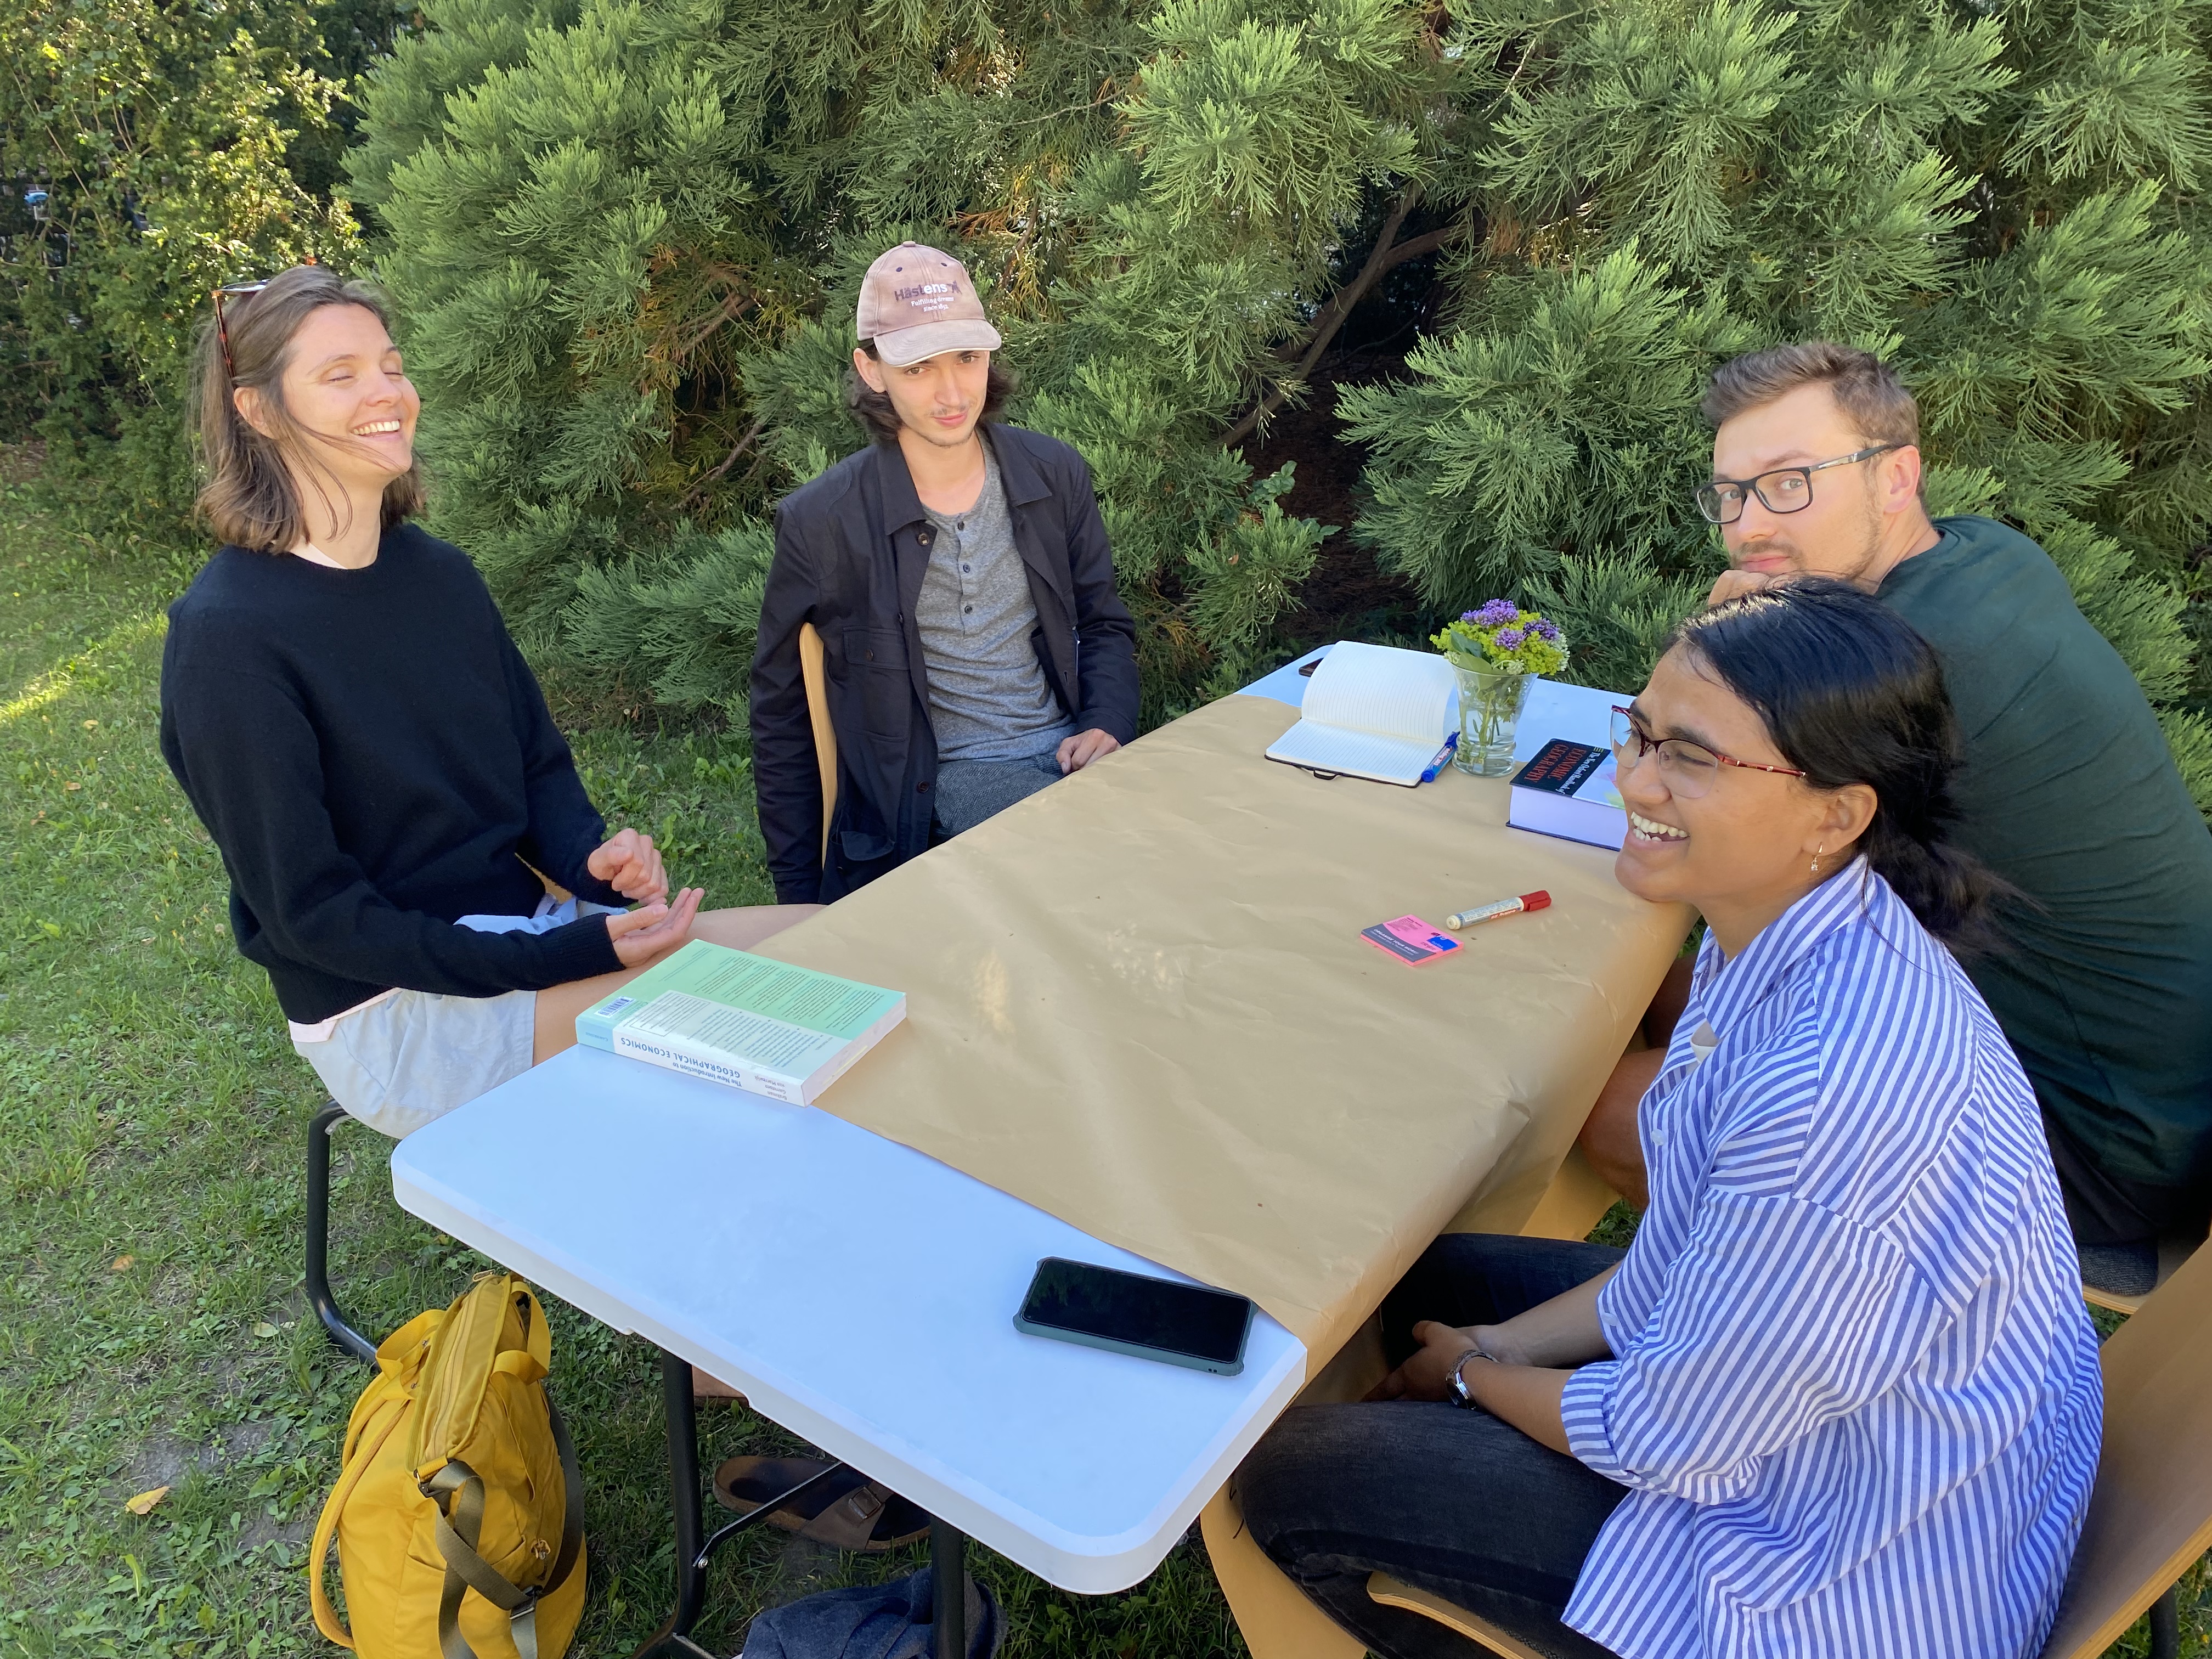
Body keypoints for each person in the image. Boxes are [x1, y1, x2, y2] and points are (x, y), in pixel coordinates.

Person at [1239, 582, 2102, 1659]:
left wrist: (1468, 1376)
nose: (1634, 779)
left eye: (1689, 757)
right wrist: (1495, 1345)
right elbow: (1688, 1264)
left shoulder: (1825, 1103)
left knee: (1287, 1477)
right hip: (1865, 1436)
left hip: (1845, 1566)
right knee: (1418, 1279)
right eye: (1640, 733)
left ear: (1837, 813)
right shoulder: (1797, 932)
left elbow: (1669, 1436)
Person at [1577, 341, 2212, 1294]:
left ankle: (1738, 1308)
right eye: (1732, 493)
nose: (1749, 525)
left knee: (1623, 1110)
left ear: (1897, 477)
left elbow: (1677, 785)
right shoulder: (1983, 552)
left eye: (1789, 483)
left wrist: (1740, 643)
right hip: (2158, 1077)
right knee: (1629, 998)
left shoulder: (1921, 662)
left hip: (2100, 1135)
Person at [160, 264, 815, 1139]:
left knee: (828, 944)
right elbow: (315, 918)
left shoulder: (439, 577)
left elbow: (536, 767)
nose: (386, 392)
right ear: (261, 411)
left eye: (391, 367)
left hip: (529, 937)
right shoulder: (229, 640)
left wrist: (591, 861)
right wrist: (562, 953)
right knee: (765, 1014)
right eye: (340, 375)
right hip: (395, 1008)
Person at [748, 242, 1139, 905]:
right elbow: (782, 718)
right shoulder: (822, 522)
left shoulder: (1053, 474)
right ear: (872, 370)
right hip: (942, 784)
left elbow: (1104, 624)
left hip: (1072, 757)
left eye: (966, 358)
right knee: (1099, 881)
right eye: (919, 368)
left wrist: (1106, 721)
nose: (953, 393)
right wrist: (800, 899)